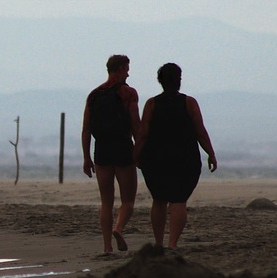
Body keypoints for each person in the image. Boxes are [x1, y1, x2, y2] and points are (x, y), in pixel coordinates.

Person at [134, 62, 217, 249]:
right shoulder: (189, 103)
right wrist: (210, 153)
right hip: (184, 159)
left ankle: (158, 243)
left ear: (160, 81)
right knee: (179, 200)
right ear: (179, 80)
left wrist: (136, 155)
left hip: (156, 159)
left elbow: (143, 133)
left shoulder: (152, 104)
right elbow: (200, 131)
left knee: (159, 199)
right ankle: (172, 243)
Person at [81, 54, 140, 253]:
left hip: (102, 151)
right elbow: (135, 125)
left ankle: (107, 247)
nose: (128, 73)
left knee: (106, 202)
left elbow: (86, 129)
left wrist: (86, 157)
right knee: (128, 201)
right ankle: (119, 228)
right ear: (121, 69)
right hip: (123, 147)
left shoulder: (94, 95)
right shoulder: (128, 93)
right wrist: (140, 150)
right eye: (127, 69)